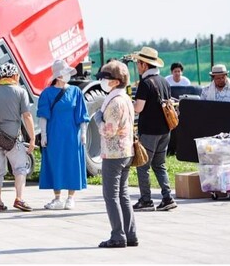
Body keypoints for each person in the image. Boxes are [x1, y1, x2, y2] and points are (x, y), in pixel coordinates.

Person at [93, 60, 138, 248]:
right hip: (126, 151)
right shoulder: (126, 98)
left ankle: (117, 236)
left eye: (105, 78)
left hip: (113, 154)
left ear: (116, 81)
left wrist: (97, 120)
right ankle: (130, 234)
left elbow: (108, 131)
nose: (102, 81)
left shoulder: (115, 102)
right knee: (123, 194)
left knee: (111, 196)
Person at [0, 62, 36, 212]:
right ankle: (19, 199)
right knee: (19, 168)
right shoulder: (20, 92)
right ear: (15, 75)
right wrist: (32, 138)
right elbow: (27, 116)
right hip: (11, 137)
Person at [37, 59, 90, 210]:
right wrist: (44, 135)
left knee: (72, 164)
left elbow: (82, 115)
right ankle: (57, 198)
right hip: (54, 136)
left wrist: (84, 133)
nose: (68, 75)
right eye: (65, 73)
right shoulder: (47, 93)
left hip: (73, 135)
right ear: (58, 76)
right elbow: (43, 116)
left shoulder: (76, 92)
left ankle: (71, 198)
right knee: (56, 164)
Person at [131, 46, 177, 212]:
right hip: (165, 130)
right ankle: (167, 198)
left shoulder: (145, 83)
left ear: (144, 65)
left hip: (149, 131)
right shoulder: (164, 81)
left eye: (138, 63)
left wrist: (129, 104)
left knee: (143, 165)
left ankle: (146, 200)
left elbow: (139, 108)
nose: (137, 66)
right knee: (159, 165)